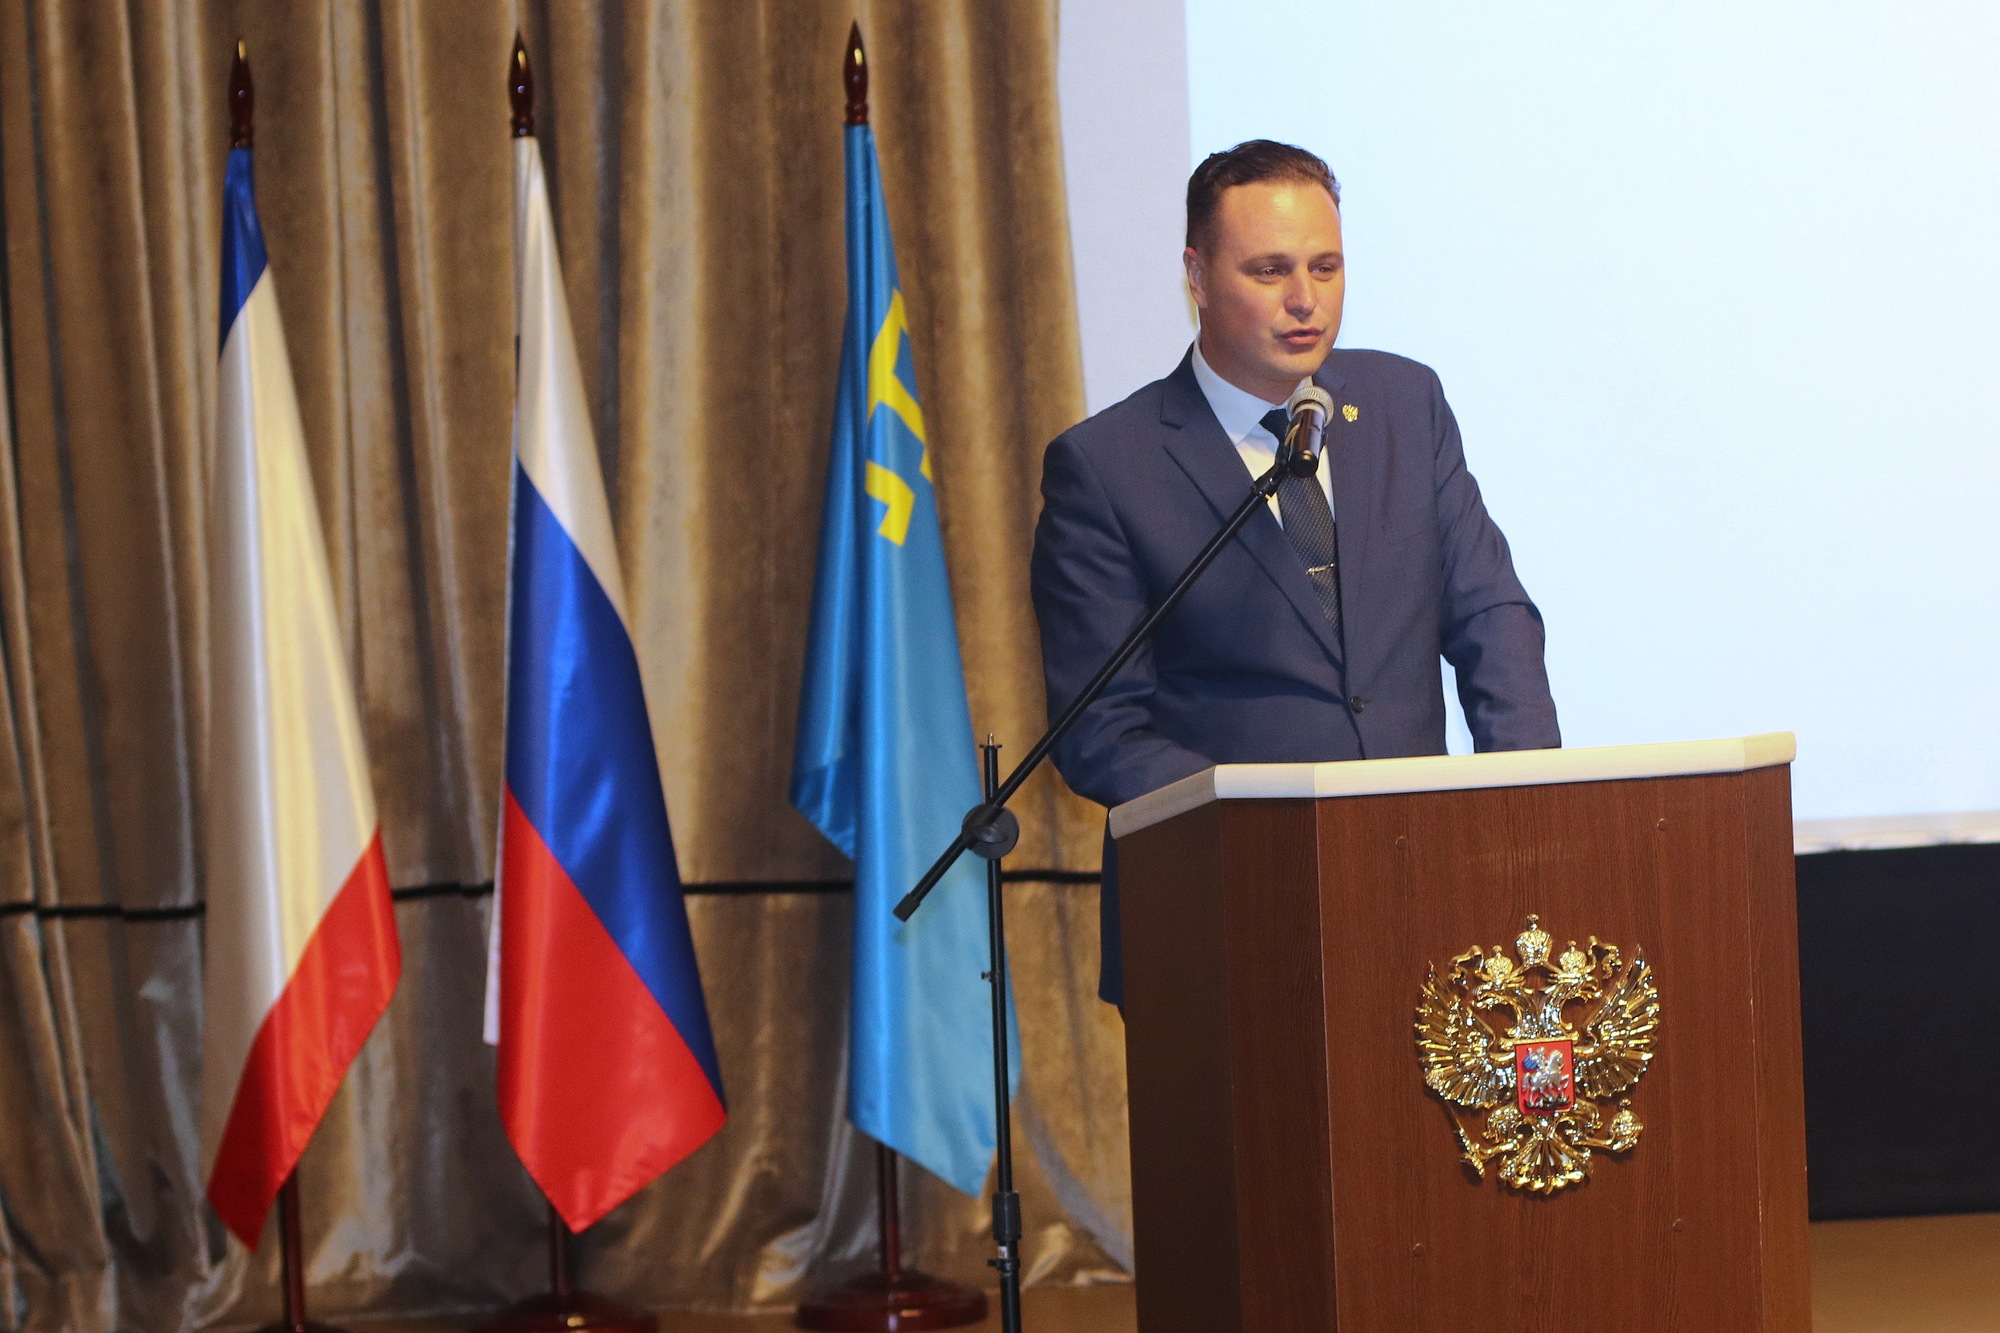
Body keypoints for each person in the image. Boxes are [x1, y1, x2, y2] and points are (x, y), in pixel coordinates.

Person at [1031, 140, 1560, 1007]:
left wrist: (1523, 805)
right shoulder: (1108, 466)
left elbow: (1490, 613)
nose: (1306, 299)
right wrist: (1276, 831)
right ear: (1197, 277)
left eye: (1325, 266)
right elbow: (1101, 729)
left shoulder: (1405, 404)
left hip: (1425, 898)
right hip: (1225, 916)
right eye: (1270, 270)